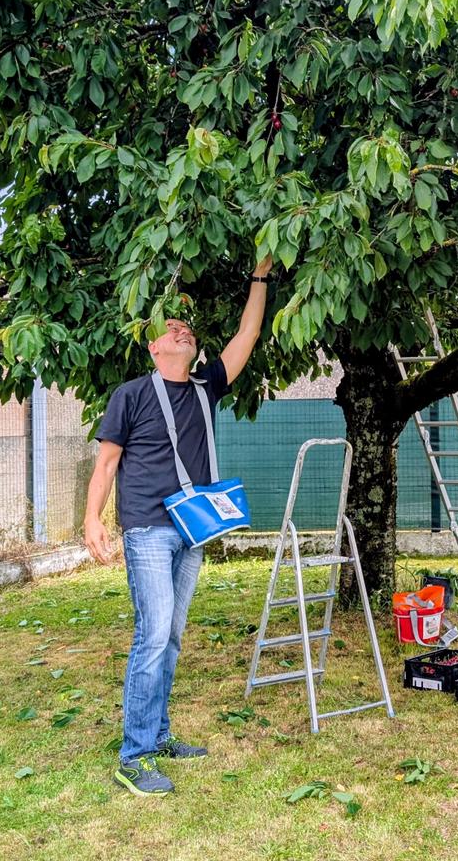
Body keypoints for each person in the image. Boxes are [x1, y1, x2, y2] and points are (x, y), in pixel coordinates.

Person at [83, 257, 275, 797]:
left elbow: (248, 332)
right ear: (154, 347)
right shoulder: (131, 394)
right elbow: (106, 464)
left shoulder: (206, 387)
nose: (183, 331)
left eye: (186, 328)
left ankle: (158, 734)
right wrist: (91, 519)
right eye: (171, 329)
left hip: (193, 529)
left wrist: (258, 275)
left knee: (170, 637)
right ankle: (134, 756)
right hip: (146, 527)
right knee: (152, 634)